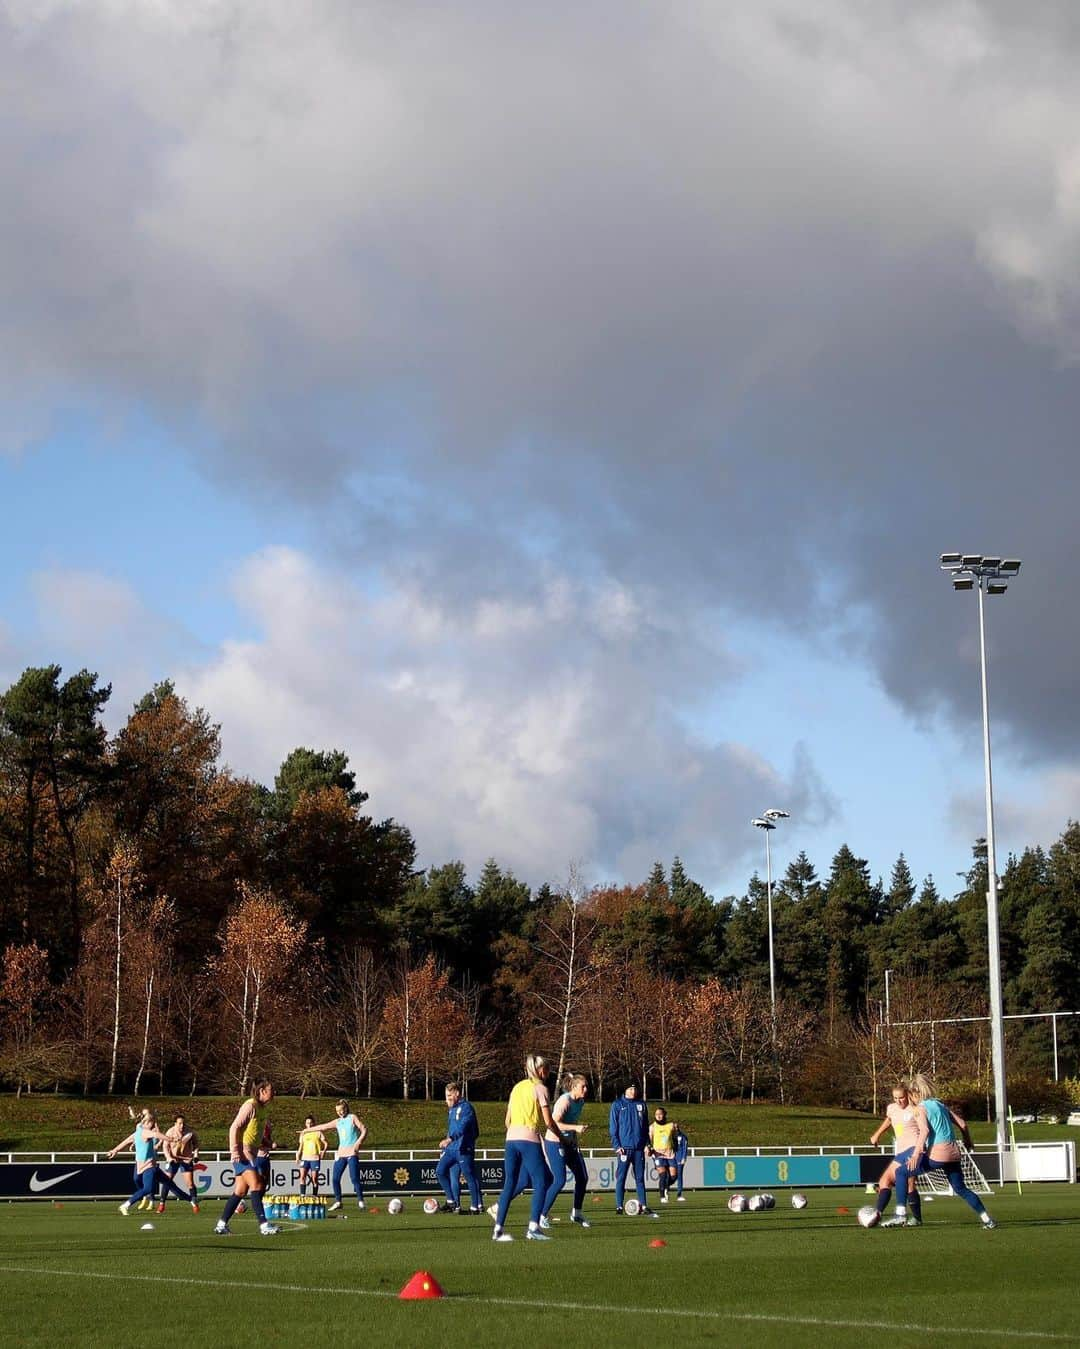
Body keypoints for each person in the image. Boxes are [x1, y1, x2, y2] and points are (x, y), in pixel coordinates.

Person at [893, 1074, 996, 1230]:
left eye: (910, 1096)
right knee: (960, 1188)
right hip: (954, 1152)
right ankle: (987, 1219)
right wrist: (968, 1141)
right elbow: (962, 1123)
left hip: (938, 1153)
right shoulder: (940, 1105)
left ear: (915, 1094)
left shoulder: (920, 1108)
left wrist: (916, 1154)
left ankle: (900, 1214)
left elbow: (924, 1131)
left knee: (901, 1172)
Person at [491, 1052, 558, 1242]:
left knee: (510, 1183)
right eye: (546, 1068)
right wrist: (562, 1139)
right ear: (539, 1070)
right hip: (528, 1138)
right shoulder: (540, 1088)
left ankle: (498, 1230)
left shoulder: (517, 1088)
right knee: (542, 1181)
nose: (548, 1071)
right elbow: (549, 1122)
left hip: (510, 1139)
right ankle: (533, 1227)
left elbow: (507, 1120)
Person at [213, 1077, 279, 1236]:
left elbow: (254, 1133)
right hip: (242, 1152)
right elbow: (234, 1127)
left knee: (240, 1191)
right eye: (271, 1090)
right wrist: (234, 1151)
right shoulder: (250, 1105)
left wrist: (267, 1143)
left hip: (251, 1151)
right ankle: (264, 1225)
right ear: (262, 1091)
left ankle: (221, 1225)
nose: (274, 1093)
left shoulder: (262, 1108)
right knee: (257, 1185)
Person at [108, 1108, 198, 1216]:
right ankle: (125, 1205)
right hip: (147, 1166)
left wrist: (115, 1150)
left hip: (151, 1165)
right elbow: (157, 1135)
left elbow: (127, 1140)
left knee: (170, 1184)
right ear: (146, 1122)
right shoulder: (146, 1132)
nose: (153, 1125)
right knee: (148, 1188)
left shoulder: (138, 1130)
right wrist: (172, 1139)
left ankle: (191, 1200)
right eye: (152, 1122)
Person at [863, 1081, 922, 1228]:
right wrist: (877, 1134)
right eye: (895, 1098)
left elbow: (926, 1127)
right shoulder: (892, 1108)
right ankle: (877, 1215)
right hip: (901, 1151)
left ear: (907, 1095)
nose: (898, 1101)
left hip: (914, 1149)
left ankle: (916, 1218)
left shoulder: (915, 1109)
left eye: (901, 1097)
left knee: (909, 1184)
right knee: (884, 1181)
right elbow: (889, 1120)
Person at [540, 1073, 591, 1229]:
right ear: (574, 1087)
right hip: (555, 1142)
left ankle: (577, 1213)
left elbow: (571, 1122)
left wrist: (574, 1140)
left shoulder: (580, 1101)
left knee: (582, 1177)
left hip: (569, 1143)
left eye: (586, 1086)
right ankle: (541, 1215)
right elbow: (553, 1124)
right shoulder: (564, 1101)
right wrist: (575, 1128)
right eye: (583, 1086)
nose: (586, 1089)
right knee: (560, 1180)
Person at [308, 1099, 368, 1211]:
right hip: (341, 1154)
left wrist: (358, 1143)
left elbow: (364, 1130)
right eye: (337, 1111)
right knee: (335, 1179)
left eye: (341, 1110)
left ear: (346, 1108)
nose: (340, 1112)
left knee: (354, 1178)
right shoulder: (337, 1122)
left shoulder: (352, 1118)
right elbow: (323, 1127)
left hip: (352, 1153)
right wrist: (306, 1130)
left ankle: (361, 1201)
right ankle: (338, 1201)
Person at [609, 1081, 657, 1217]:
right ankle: (619, 1206)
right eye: (630, 1089)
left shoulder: (641, 1105)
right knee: (621, 1178)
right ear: (625, 1090)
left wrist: (647, 1144)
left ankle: (644, 1205)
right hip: (624, 1149)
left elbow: (645, 1127)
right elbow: (613, 1128)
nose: (633, 1091)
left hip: (638, 1149)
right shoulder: (617, 1105)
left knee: (640, 1178)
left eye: (634, 1089)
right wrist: (617, 1146)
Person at [436, 1082, 483, 1214]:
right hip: (451, 1150)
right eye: (446, 1096)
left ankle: (475, 1207)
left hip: (463, 1149)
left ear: (457, 1093)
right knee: (440, 1171)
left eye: (450, 1096)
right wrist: (446, 1144)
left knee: (469, 1177)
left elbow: (462, 1127)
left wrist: (451, 1139)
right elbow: (451, 1129)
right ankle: (451, 1201)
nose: (447, 1099)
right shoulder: (451, 1109)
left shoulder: (467, 1108)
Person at [159, 1113, 200, 1212]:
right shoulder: (170, 1132)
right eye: (180, 1123)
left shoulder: (190, 1132)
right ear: (175, 1124)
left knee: (190, 1183)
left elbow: (196, 1144)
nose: (182, 1126)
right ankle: (161, 1204)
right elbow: (165, 1146)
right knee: (167, 1181)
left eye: (183, 1123)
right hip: (173, 1159)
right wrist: (168, 1158)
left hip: (186, 1160)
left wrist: (196, 1155)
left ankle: (195, 1203)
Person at [649, 1106, 678, 1204]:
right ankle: (662, 1196)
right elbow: (649, 1140)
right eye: (656, 1114)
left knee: (673, 1177)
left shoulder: (671, 1126)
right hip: (658, 1154)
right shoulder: (652, 1127)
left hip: (670, 1154)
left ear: (664, 1114)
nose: (658, 1116)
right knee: (663, 1174)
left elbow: (675, 1138)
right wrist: (649, 1148)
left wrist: (676, 1148)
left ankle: (665, 1187)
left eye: (660, 1114)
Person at [297, 1115, 326, 1198]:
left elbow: (326, 1143)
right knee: (302, 1177)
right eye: (307, 1123)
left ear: (313, 1123)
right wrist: (298, 1156)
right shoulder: (303, 1133)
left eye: (310, 1123)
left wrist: (323, 1151)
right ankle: (302, 1195)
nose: (309, 1125)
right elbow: (301, 1146)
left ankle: (315, 1195)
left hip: (315, 1158)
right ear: (305, 1124)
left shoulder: (318, 1132)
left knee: (314, 1178)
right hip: (304, 1158)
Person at [673, 1121, 689, 1201]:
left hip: (679, 1159)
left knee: (679, 1176)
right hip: (671, 1158)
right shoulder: (670, 1136)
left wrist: (683, 1158)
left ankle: (679, 1194)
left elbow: (685, 1148)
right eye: (674, 1127)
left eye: (677, 1127)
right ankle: (665, 1192)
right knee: (669, 1176)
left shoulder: (683, 1137)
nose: (675, 1129)